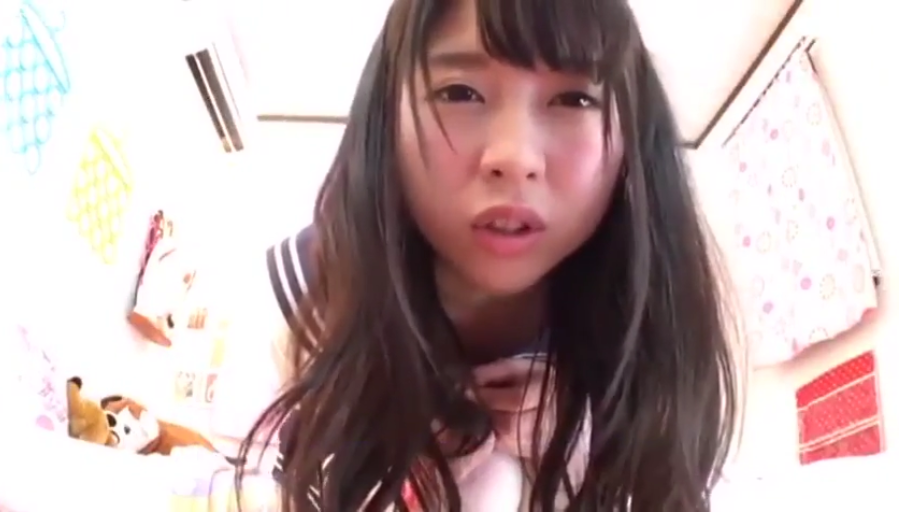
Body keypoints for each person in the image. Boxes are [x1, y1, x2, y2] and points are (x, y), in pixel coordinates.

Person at [219, 0, 739, 510]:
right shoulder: (299, 299)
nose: (515, 157)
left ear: (633, 139)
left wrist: (583, 460)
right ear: (385, 119)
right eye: (459, 92)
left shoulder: (660, 335)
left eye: (574, 99)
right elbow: (227, 477)